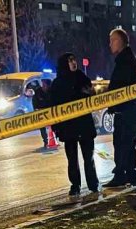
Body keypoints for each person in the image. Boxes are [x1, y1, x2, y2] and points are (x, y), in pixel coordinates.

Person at [50, 53, 99, 197]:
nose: (73, 63)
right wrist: (56, 127)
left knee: (88, 157)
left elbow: (92, 96)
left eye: (74, 60)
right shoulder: (58, 84)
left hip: (84, 125)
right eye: (70, 60)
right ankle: (75, 185)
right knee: (72, 160)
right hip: (68, 127)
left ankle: (93, 184)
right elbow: (54, 107)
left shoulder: (82, 78)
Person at [105, 28, 136, 188]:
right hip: (127, 109)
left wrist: (114, 102)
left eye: (112, 40)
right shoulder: (126, 58)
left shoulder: (125, 60)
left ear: (120, 41)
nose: (110, 44)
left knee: (123, 143)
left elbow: (122, 87)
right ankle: (128, 175)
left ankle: (123, 175)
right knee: (125, 143)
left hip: (126, 110)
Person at [33, 78, 57, 150]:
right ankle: (46, 141)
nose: (43, 86)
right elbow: (34, 101)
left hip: (51, 112)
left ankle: (54, 138)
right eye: (43, 84)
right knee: (42, 127)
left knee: (54, 125)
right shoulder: (38, 92)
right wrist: (36, 109)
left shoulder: (52, 92)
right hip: (41, 112)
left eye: (45, 84)